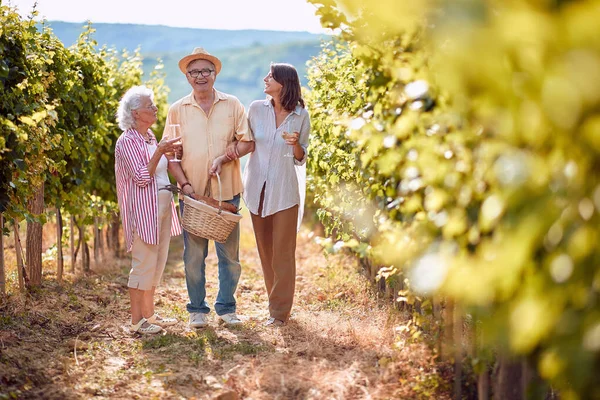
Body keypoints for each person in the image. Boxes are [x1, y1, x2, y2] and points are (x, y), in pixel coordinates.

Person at [165, 48, 255, 328]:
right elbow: (170, 154)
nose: (201, 76)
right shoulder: (177, 109)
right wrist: (185, 184)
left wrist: (225, 156)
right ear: (187, 77)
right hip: (193, 195)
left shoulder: (233, 104)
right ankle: (197, 310)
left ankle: (227, 308)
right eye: (195, 72)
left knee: (230, 256)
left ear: (215, 74)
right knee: (193, 257)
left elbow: (247, 142)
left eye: (206, 71)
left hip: (226, 192)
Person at [222, 63, 310, 327]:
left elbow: (302, 157)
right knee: (266, 252)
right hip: (257, 188)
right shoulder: (256, 109)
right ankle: (275, 304)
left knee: (283, 253)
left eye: (270, 76)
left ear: (283, 82)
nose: (265, 79)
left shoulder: (300, 114)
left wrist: (295, 146)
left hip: (284, 192)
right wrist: (225, 154)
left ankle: (279, 313)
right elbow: (247, 143)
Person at [114, 85, 183, 334]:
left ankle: (149, 315)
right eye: (149, 106)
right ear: (135, 113)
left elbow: (161, 169)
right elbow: (143, 177)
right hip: (145, 211)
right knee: (143, 264)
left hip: (162, 208)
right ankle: (136, 321)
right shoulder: (127, 141)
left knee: (157, 263)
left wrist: (169, 152)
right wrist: (160, 152)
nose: (154, 108)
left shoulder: (150, 136)